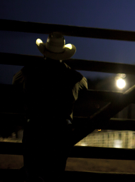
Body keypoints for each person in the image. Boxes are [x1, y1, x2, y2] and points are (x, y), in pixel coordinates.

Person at [12, 32, 88, 182]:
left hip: (35, 127)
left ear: (45, 51)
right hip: (60, 130)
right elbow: (85, 88)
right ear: (63, 54)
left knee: (32, 172)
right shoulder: (74, 76)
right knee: (55, 173)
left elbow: (15, 81)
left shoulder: (30, 70)